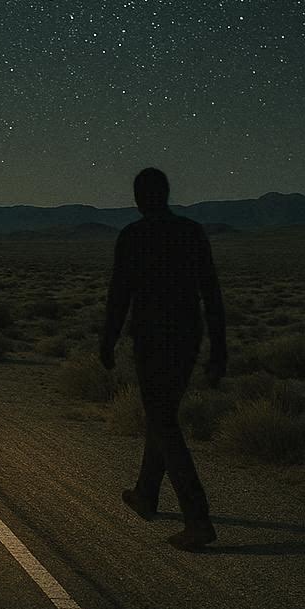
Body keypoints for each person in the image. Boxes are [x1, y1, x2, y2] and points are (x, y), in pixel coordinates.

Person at [99, 167, 227, 550]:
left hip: (153, 341)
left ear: (139, 197)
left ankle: (198, 519)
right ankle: (145, 494)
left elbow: (119, 293)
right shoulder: (191, 232)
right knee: (162, 414)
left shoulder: (134, 236)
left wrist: (107, 340)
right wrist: (219, 348)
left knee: (163, 422)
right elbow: (212, 293)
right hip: (188, 339)